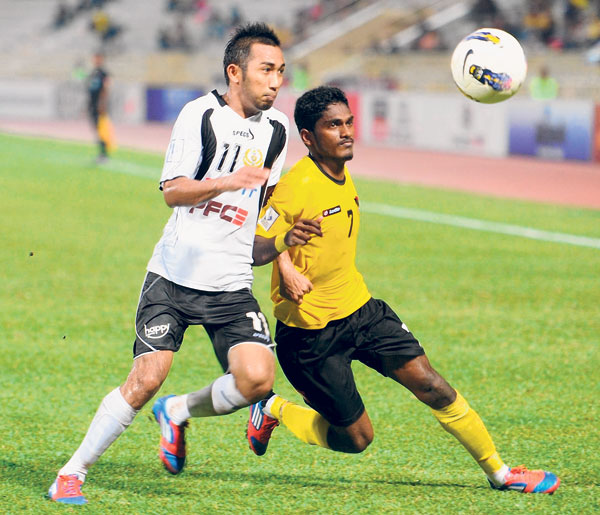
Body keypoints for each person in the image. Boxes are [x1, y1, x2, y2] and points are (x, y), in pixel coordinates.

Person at [48, 23, 321, 505]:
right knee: (145, 379)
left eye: (281, 71)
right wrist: (227, 180)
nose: (277, 81)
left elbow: (263, 212)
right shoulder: (200, 115)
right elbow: (172, 191)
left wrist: (285, 257)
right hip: (173, 278)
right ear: (235, 72)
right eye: (267, 70)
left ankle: (177, 412)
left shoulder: (277, 131)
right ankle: (72, 472)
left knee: (258, 378)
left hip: (232, 283)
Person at [245, 86, 561, 495]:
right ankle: (271, 408)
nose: (346, 132)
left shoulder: (338, 171)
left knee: (432, 384)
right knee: (356, 438)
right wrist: (285, 254)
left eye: (348, 122)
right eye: (332, 125)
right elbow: (253, 246)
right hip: (309, 335)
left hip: (362, 311)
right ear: (307, 137)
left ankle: (501, 473)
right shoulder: (296, 185)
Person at [87, 52, 113, 163]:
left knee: (102, 130)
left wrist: (102, 104)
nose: (96, 60)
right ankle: (101, 153)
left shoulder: (103, 73)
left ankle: (104, 154)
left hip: (99, 106)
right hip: (92, 105)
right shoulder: (92, 73)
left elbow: (106, 89)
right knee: (97, 130)